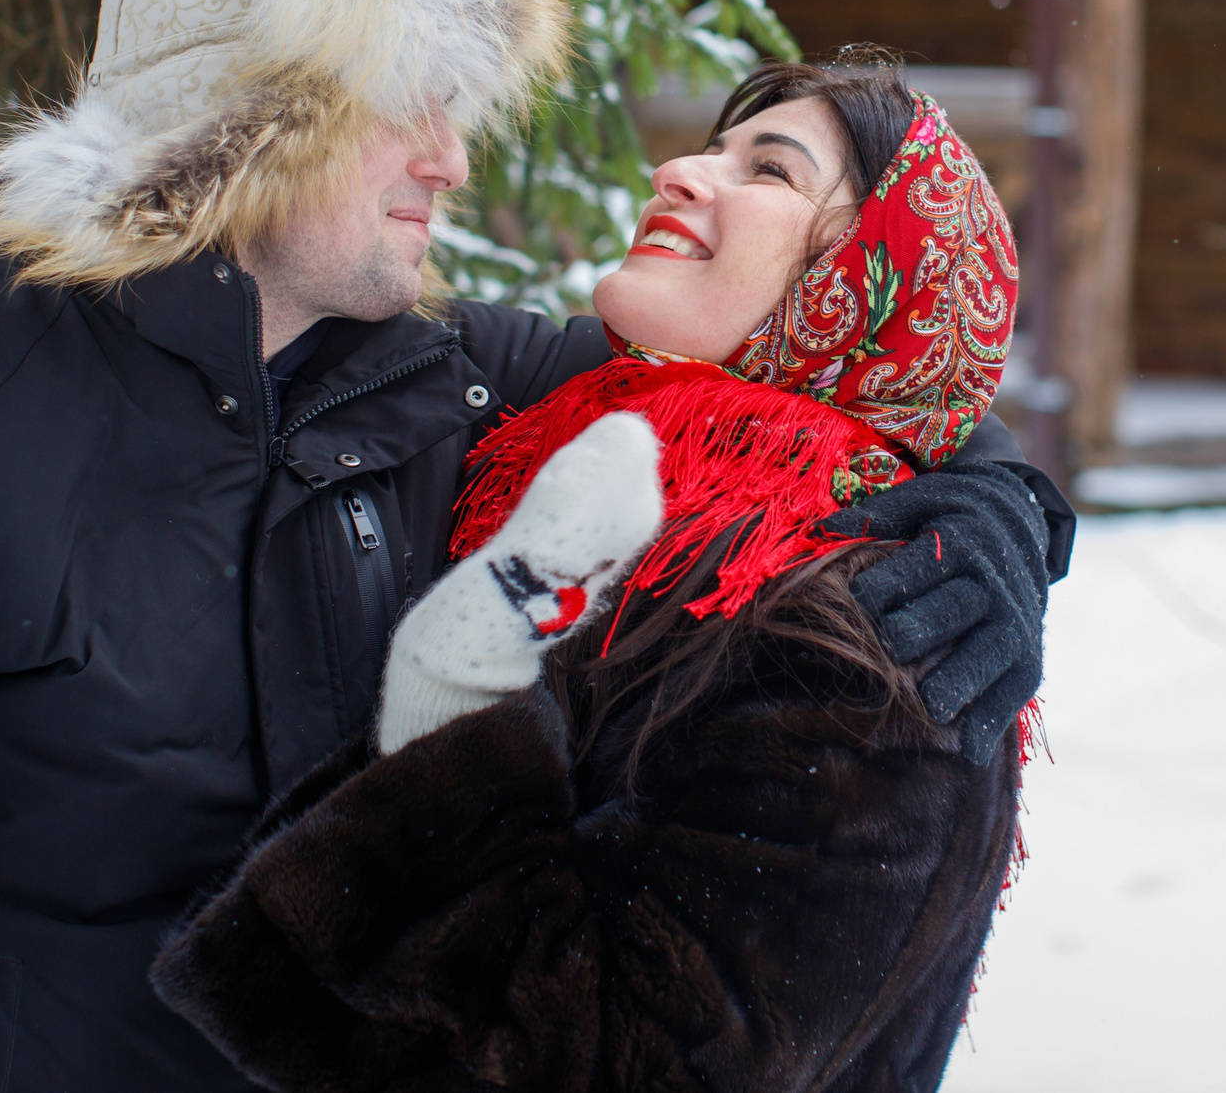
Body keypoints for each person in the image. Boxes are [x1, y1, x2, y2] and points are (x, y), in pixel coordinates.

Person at [0, 0, 1070, 1093]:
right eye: (408, 96)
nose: (455, 154)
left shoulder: (461, 380)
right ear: (250, 114)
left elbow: (827, 386)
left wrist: (992, 509)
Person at [153, 57, 1035, 1093]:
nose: (678, 170)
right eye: (708, 146)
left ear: (865, 285)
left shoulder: (872, 631)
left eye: (769, 170)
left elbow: (640, 1063)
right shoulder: (551, 442)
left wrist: (460, 714)